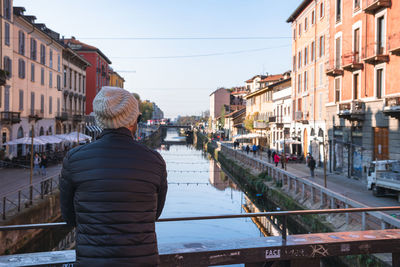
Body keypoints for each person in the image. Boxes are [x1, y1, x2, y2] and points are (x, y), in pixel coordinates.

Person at [60, 86, 168, 266]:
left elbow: (70, 217)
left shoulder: (74, 159)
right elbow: (154, 214)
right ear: (134, 120)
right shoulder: (154, 160)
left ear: (100, 120)